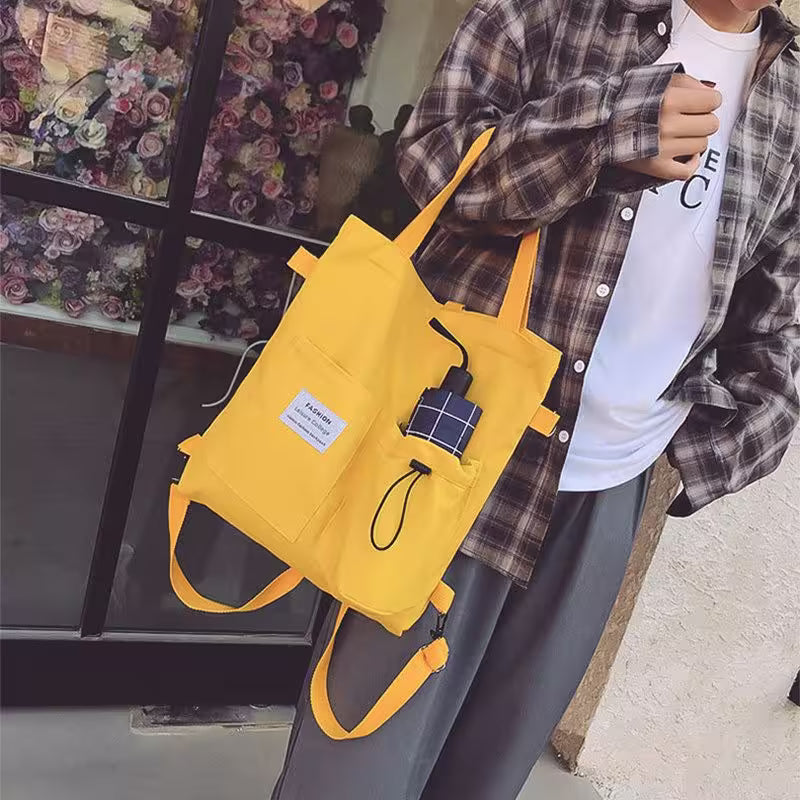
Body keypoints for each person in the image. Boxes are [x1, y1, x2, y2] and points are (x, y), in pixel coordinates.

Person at [271, 0, 799, 797]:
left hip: (611, 489)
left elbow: (779, 306)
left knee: (489, 769)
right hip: (453, 448)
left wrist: (710, 449)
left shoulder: (789, 92)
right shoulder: (548, 12)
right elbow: (434, 167)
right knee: (356, 761)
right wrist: (611, 127)